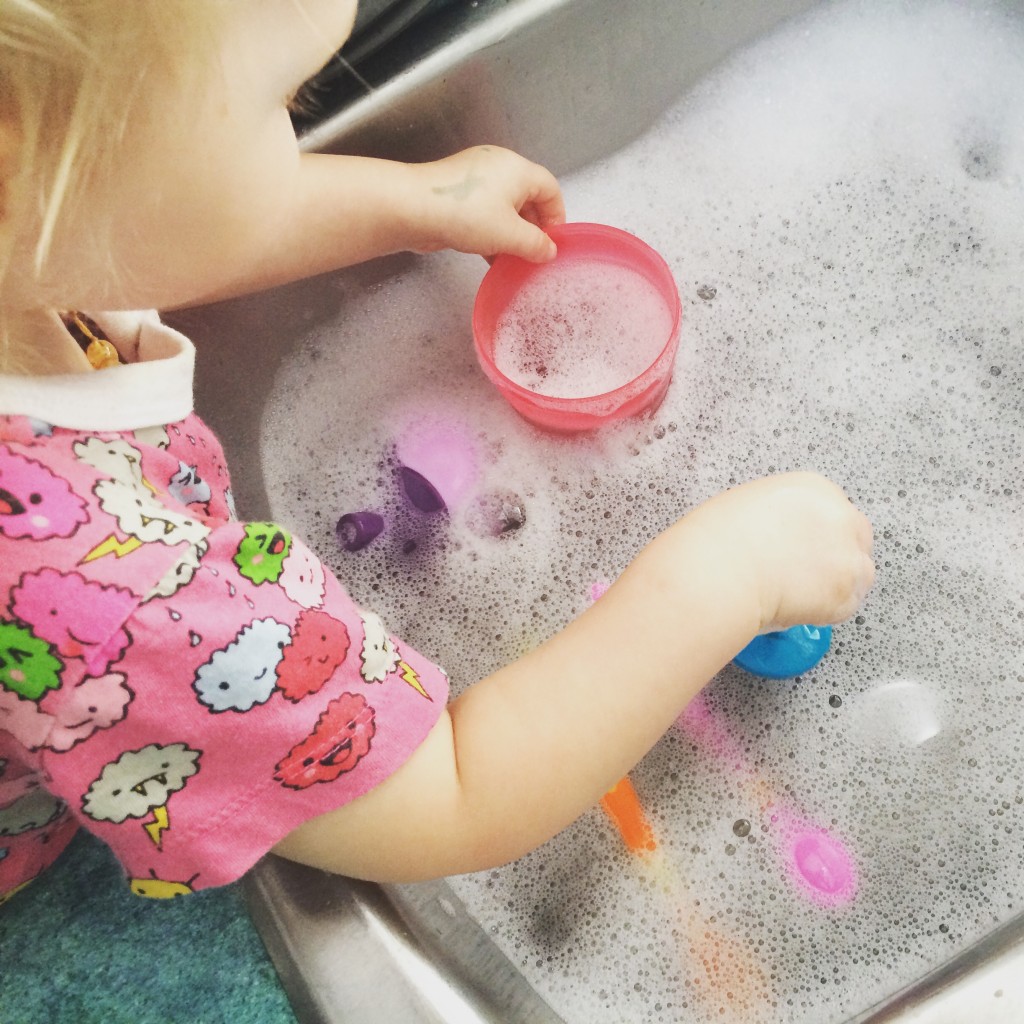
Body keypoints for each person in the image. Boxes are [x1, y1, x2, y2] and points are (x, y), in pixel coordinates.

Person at [0, 0, 874, 901]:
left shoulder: (33, 244)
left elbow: (146, 223)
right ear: (18, 162)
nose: (301, 124)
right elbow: (450, 795)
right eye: (281, 102)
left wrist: (408, 205)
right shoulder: (113, 596)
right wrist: (725, 575)